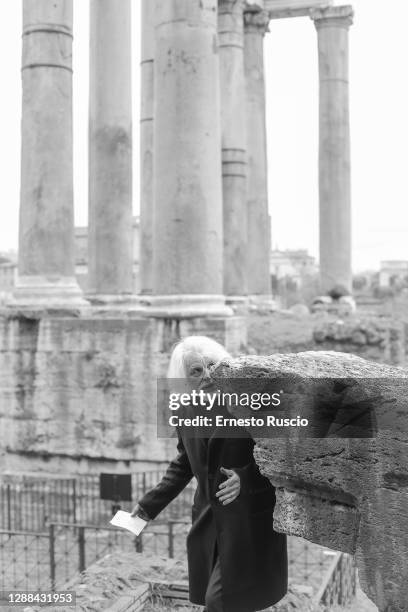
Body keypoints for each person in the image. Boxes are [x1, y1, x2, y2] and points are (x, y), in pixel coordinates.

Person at [131, 336, 287, 612]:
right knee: (224, 600)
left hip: (247, 520)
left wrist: (245, 478)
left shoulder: (252, 403)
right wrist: (147, 507)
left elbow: (278, 454)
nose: (207, 375)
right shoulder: (185, 411)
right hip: (208, 521)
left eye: (212, 366)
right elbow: (184, 464)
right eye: (196, 370)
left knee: (220, 601)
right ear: (185, 377)